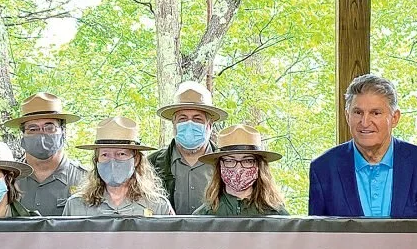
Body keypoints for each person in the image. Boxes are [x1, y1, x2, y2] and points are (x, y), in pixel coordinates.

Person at [309, 73, 417, 218]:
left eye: (376, 113)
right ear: (347, 116)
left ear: (395, 118)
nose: (365, 122)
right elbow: (316, 232)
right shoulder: (323, 169)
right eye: (358, 112)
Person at [63, 117, 175, 217]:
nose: (112, 161)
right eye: (105, 155)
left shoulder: (158, 206)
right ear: (97, 160)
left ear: (136, 160)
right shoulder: (75, 206)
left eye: (121, 154)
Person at [147, 81, 227, 214]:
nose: (189, 124)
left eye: (197, 119)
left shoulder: (227, 163)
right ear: (174, 124)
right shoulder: (151, 164)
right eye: (183, 119)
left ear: (209, 125)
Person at [5, 92, 88, 215]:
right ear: (22, 135)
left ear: (63, 132)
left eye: (49, 128)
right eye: (33, 129)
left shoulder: (86, 181)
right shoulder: (8, 180)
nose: (41, 134)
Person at [194, 124, 288, 216]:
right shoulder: (203, 216)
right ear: (220, 165)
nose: (238, 168)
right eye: (230, 161)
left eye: (247, 161)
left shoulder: (277, 215)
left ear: (258, 165)